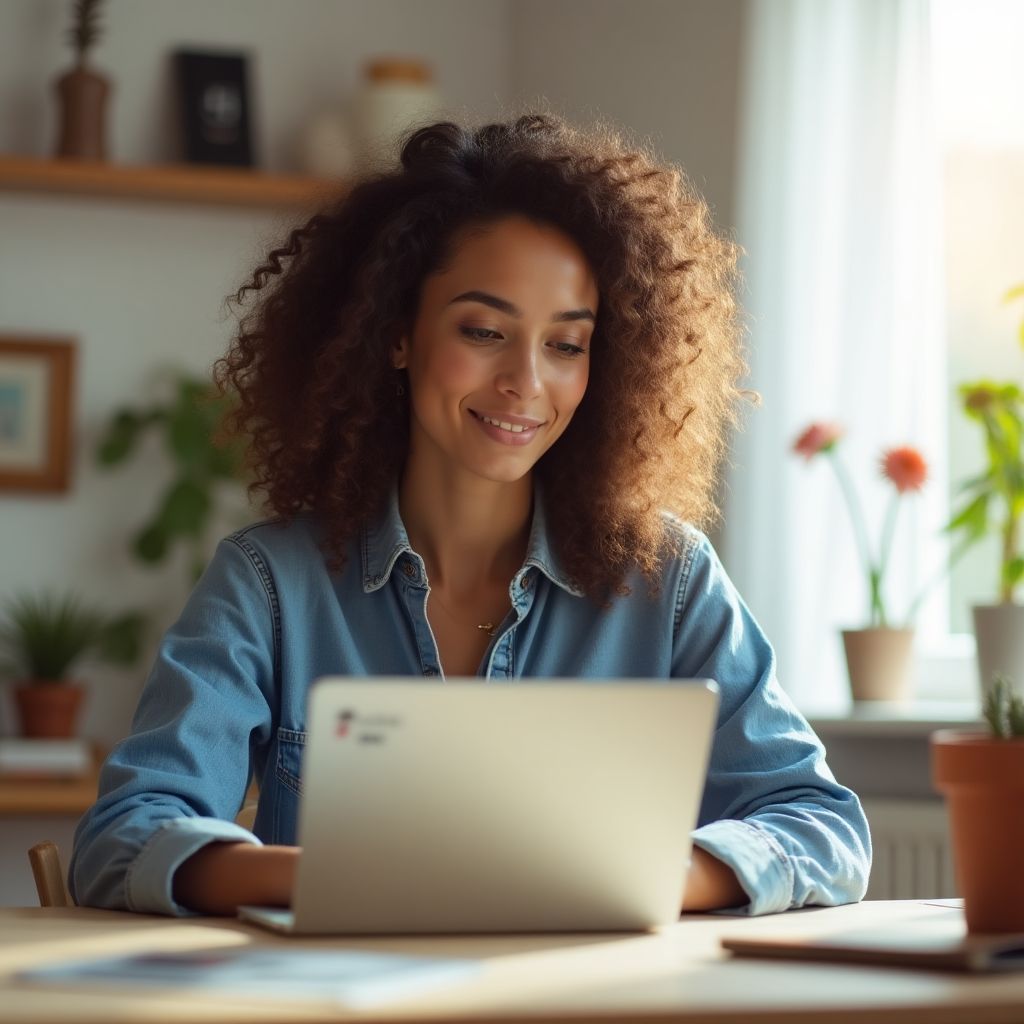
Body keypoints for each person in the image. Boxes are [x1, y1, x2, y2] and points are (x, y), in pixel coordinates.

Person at [70, 113, 870, 918]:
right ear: (397, 335)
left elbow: (823, 827)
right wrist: (339, 880)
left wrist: (650, 877)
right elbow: (123, 838)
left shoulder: (670, 581)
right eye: (484, 331)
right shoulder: (269, 585)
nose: (526, 382)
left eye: (566, 345)